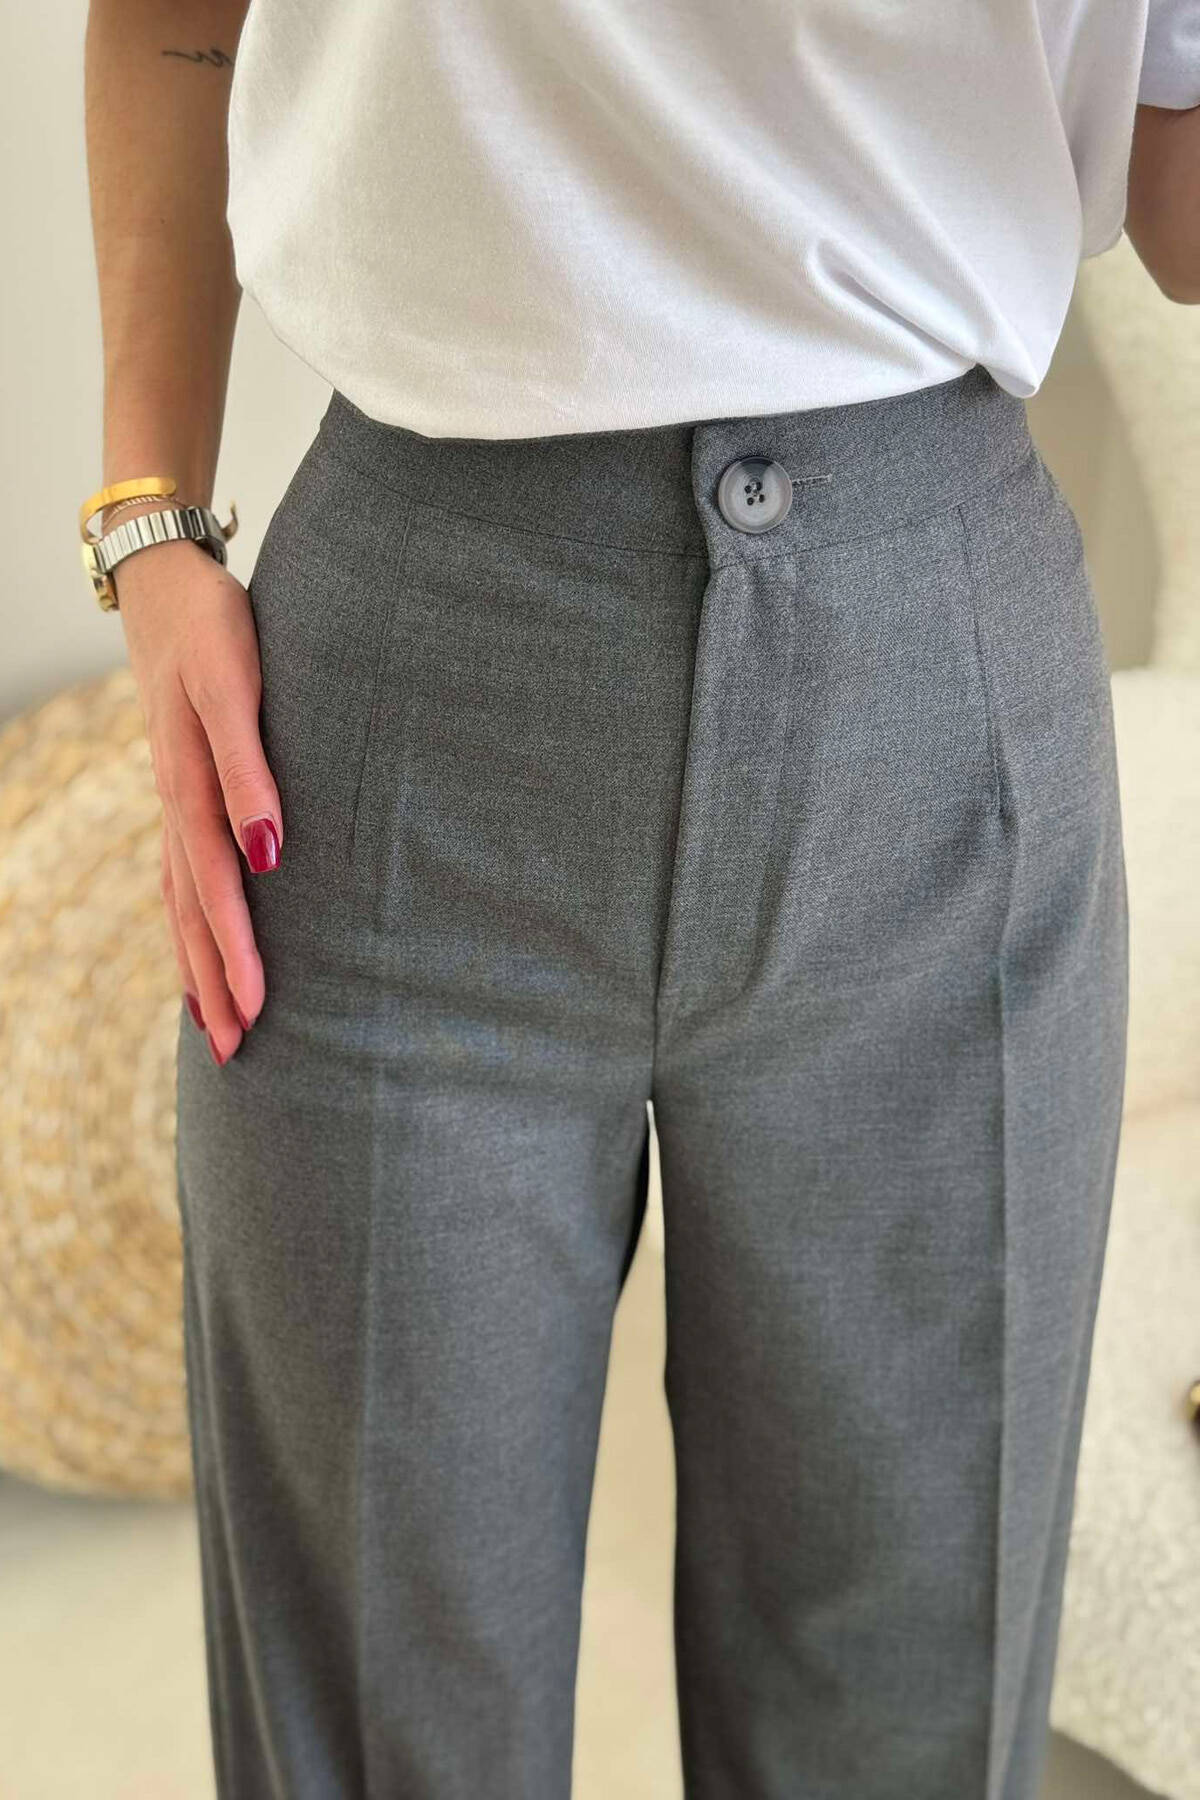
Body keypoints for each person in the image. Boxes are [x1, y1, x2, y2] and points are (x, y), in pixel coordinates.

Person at [81, 3, 1198, 1796]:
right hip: (407, 702)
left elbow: (1180, 207)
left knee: (903, 1723)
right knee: (373, 1712)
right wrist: (147, 520)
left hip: (935, 703)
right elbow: (168, 19)